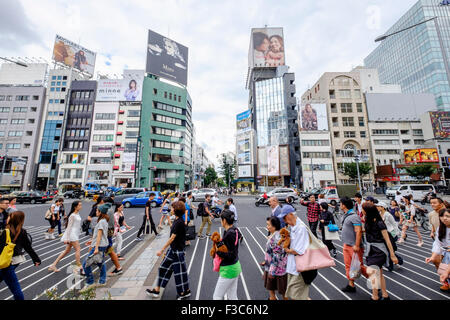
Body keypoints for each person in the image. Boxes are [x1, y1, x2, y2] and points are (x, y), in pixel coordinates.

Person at [146, 201, 191, 300]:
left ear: (176, 210)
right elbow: (173, 232)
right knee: (163, 268)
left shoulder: (179, 223)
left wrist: (162, 250)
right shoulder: (177, 219)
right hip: (173, 250)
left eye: (172, 208)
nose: (170, 209)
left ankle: (184, 292)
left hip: (177, 252)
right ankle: (157, 290)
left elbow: (172, 238)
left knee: (179, 273)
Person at [0, 211, 41, 300]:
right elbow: (28, 247)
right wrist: (36, 259)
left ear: (12, 219)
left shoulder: (6, 232)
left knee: (15, 287)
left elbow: (0, 248)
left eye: (9, 217)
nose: (7, 218)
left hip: (5, 263)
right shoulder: (22, 232)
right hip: (16, 261)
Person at [362, 203, 398, 300]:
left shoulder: (379, 223)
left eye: (363, 209)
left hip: (379, 250)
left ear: (367, 211)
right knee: (379, 273)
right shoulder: (368, 220)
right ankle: (385, 295)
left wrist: (392, 255)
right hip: (371, 249)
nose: (361, 210)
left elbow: (387, 239)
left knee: (372, 272)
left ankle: (375, 296)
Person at [279, 205, 312, 300]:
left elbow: (299, 250)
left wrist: (287, 249)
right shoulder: (294, 226)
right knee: (295, 295)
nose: (284, 220)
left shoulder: (300, 228)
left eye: (284, 217)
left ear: (290, 215)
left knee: (297, 296)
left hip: (299, 269)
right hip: (293, 267)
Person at [340, 197, 368, 293]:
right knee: (348, 266)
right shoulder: (345, 215)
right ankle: (351, 285)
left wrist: (356, 245)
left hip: (354, 246)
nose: (340, 205)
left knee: (360, 267)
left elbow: (358, 231)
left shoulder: (354, 216)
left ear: (344, 205)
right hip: (346, 245)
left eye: (340, 203)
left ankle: (375, 280)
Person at [212, 210, 242, 300]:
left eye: (221, 220)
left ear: (224, 220)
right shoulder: (235, 230)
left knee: (217, 296)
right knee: (232, 296)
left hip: (228, 269)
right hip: (235, 267)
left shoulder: (229, 233)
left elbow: (231, 254)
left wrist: (217, 251)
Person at [81, 203, 111, 291]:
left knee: (85, 264)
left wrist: (96, 247)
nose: (95, 212)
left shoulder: (101, 221)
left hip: (99, 245)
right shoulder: (104, 220)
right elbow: (100, 235)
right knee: (100, 262)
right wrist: (92, 241)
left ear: (100, 212)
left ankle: (90, 282)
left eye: (97, 211)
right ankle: (102, 281)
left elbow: (99, 235)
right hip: (102, 244)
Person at [48, 200, 83, 272]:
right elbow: (69, 227)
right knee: (78, 249)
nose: (81, 206)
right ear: (75, 207)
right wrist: (67, 238)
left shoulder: (77, 214)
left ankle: (53, 265)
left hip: (75, 233)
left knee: (66, 251)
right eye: (79, 205)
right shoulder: (72, 215)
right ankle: (78, 267)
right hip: (72, 234)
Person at [263, 216, 288, 300]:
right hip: (276, 268)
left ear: (274, 226)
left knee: (281, 292)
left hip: (275, 270)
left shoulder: (276, 238)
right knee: (280, 292)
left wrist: (271, 272)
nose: (267, 226)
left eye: (268, 225)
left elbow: (277, 256)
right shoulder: (276, 235)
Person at [425, 208, 450, 291]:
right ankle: (447, 282)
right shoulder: (441, 228)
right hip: (446, 253)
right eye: (442, 216)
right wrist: (432, 257)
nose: (444, 218)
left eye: (447, 216)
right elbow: (438, 243)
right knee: (444, 268)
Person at [376, 201, 403, 271]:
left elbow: (394, 224)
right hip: (383, 235)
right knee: (387, 250)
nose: (377, 207)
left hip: (390, 234)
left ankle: (390, 266)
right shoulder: (379, 214)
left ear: (383, 207)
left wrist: (395, 235)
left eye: (378, 206)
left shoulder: (388, 215)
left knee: (388, 250)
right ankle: (399, 261)